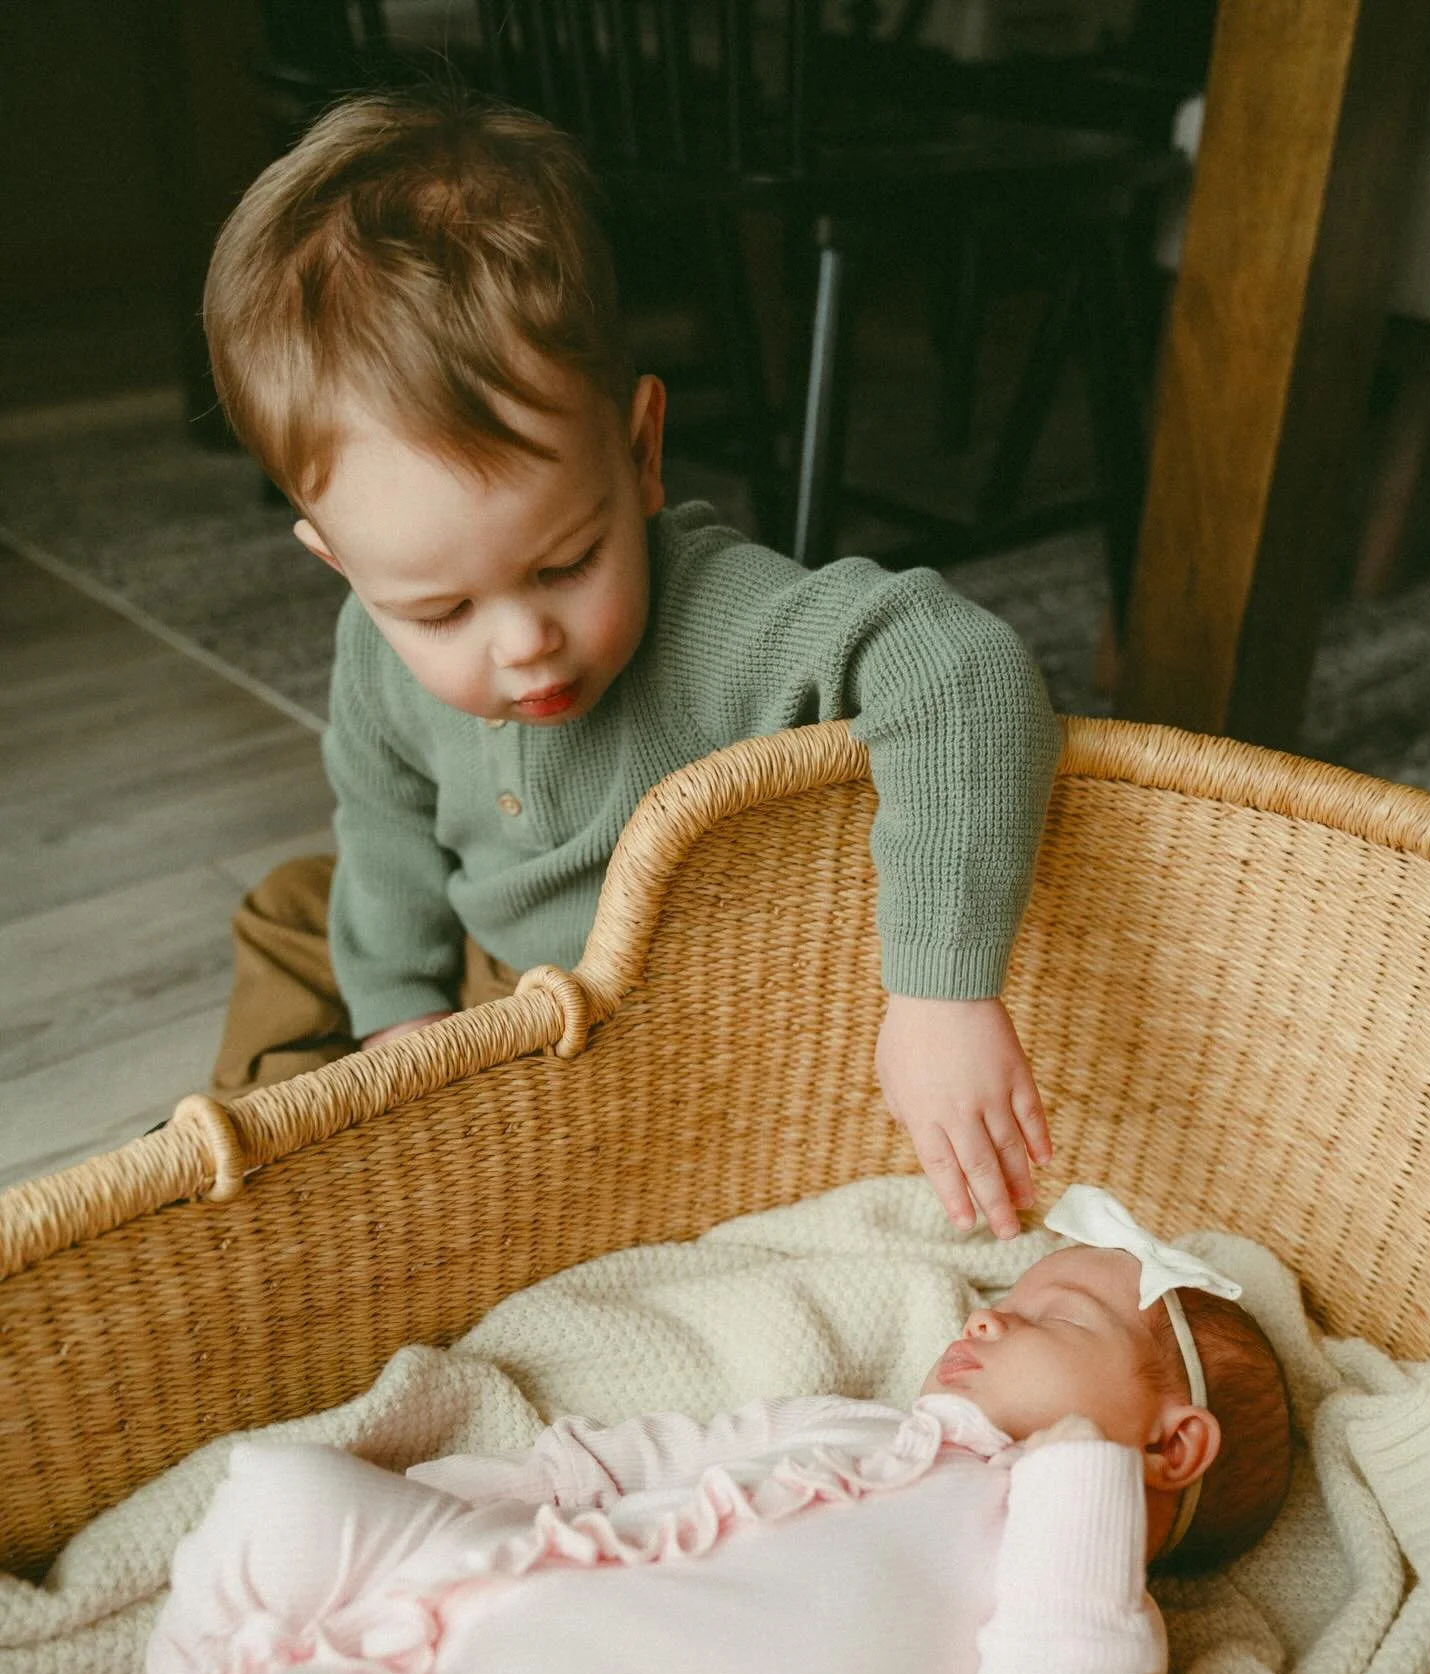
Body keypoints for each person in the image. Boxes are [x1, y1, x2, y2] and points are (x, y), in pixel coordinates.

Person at [199, 88, 1064, 1241]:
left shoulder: (719, 614)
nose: (522, 643)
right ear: (340, 563)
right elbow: (388, 820)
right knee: (296, 912)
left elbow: (961, 673)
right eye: (441, 609)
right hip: (485, 982)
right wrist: (400, 1029)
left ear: (642, 451)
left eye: (566, 564)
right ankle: (283, 1180)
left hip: (650, 1024)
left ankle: (340, 1188)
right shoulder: (370, 641)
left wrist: (941, 995)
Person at [9, 1190, 1293, 1674]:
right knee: (278, 1496)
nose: (988, 1316)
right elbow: (648, 1458)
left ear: (1172, 1446)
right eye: (1000, 1297)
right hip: (498, 1578)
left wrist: (1082, 1482)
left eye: (1050, 1318)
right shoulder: (864, 1428)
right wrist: (492, 1515)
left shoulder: (1075, 1595)